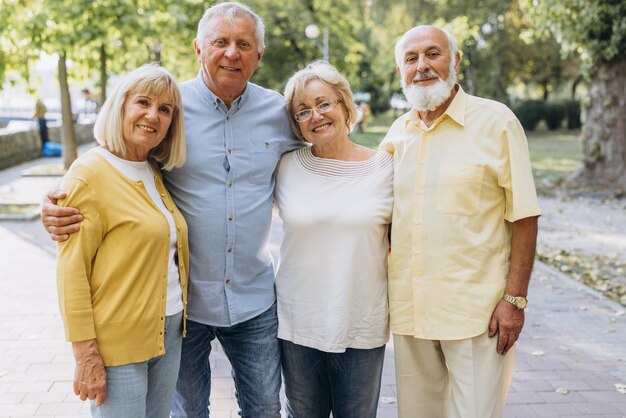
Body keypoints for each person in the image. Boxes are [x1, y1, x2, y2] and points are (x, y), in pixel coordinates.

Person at [41, 3, 301, 417]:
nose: (231, 53)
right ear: (199, 48)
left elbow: (328, 150)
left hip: (254, 298)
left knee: (266, 408)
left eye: (244, 44)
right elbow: (116, 156)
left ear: (259, 55)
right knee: (187, 412)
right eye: (220, 42)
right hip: (186, 307)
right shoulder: (170, 107)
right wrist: (60, 193)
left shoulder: (280, 113)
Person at [380, 25, 541, 418]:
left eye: (432, 54)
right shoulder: (397, 135)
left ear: (455, 61)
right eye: (411, 58)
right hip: (410, 315)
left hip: (477, 316)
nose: (422, 66)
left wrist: (514, 300)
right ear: (400, 70)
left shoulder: (496, 122)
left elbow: (524, 216)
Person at [55, 64, 189, 417]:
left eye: (165, 109)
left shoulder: (153, 169)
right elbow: (72, 274)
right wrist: (85, 355)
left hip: (169, 330)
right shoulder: (89, 173)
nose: (153, 115)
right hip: (118, 342)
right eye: (143, 103)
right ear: (120, 106)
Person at [275, 61, 393, 417]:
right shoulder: (285, 166)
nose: (316, 116)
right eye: (303, 111)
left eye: (324, 104)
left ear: (345, 106)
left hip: (361, 321)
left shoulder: (385, 168)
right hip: (298, 324)